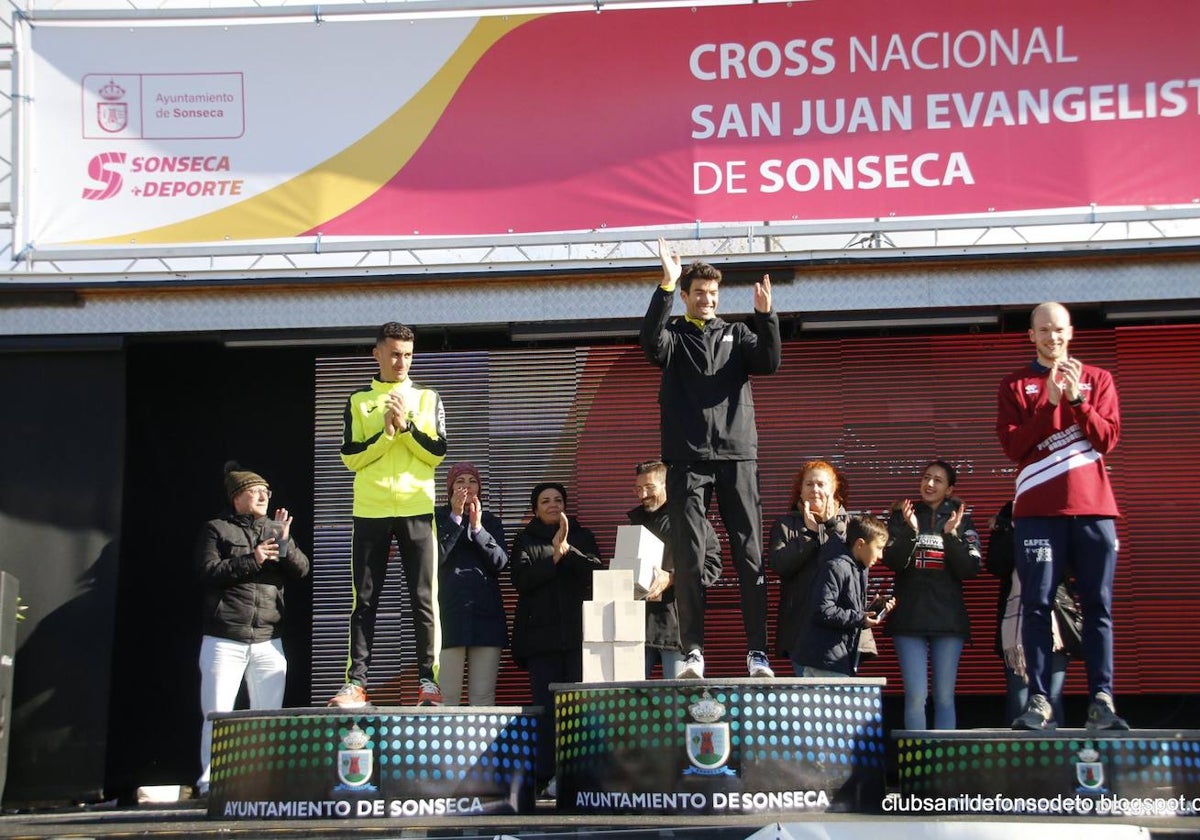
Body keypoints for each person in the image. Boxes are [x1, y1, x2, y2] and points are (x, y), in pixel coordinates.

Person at [640, 237, 782, 679]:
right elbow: (650, 345)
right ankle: (693, 652)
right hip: (686, 457)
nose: (707, 300)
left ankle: (756, 653)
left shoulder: (737, 334)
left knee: (749, 552)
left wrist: (765, 315)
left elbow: (770, 362)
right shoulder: (675, 336)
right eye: (698, 292)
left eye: (713, 295)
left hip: (737, 453)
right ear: (686, 295)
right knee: (690, 555)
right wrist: (665, 284)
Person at [996, 301, 1128, 731]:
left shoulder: (1097, 379)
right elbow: (1015, 447)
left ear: (1070, 333)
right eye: (1043, 330)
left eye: (1059, 330)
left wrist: (1075, 399)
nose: (1052, 338)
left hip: (1093, 510)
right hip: (1037, 511)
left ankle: (1102, 701)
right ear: (1031, 335)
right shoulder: (1015, 384)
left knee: (1098, 606)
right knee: (1037, 605)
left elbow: (1107, 439)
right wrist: (1047, 403)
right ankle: (1038, 700)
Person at [329, 322, 448, 709]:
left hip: (416, 507)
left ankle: (428, 682)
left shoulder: (428, 397)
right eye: (395, 353)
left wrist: (407, 427)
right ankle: (355, 683)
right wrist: (386, 434)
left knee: (423, 597)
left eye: (408, 355)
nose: (402, 362)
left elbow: (437, 453)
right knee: (364, 599)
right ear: (377, 353)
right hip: (371, 509)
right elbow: (350, 458)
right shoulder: (358, 400)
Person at [196, 462, 310, 796]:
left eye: (266, 492)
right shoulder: (216, 529)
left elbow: (302, 570)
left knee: (268, 717)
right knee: (217, 714)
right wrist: (254, 559)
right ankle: (210, 781)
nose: (263, 496)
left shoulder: (274, 529)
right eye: (255, 491)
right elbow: (207, 571)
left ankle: (265, 781)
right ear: (237, 497)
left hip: (268, 639)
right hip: (224, 637)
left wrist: (285, 544)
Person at [510, 482, 602, 796]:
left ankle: (578, 776)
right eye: (545, 501)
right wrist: (552, 558)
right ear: (535, 508)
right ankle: (546, 777)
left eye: (558, 500)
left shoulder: (582, 535)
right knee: (547, 711)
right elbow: (520, 580)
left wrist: (567, 551)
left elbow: (596, 574)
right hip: (541, 643)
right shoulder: (524, 539)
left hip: (580, 639)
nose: (552, 505)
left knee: (579, 710)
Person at [882, 460, 982, 730]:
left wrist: (950, 536)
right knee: (916, 697)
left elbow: (970, 569)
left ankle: (942, 769)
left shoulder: (961, 520)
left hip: (948, 621)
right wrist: (911, 531)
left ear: (949, 489)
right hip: (909, 619)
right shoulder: (903, 515)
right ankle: (916, 767)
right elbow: (890, 560)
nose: (929, 484)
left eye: (938, 480)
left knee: (944, 697)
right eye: (926, 478)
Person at [626, 459, 723, 679]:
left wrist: (672, 578)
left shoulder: (691, 518)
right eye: (638, 488)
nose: (642, 495)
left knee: (679, 702)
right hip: (635, 627)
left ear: (666, 486)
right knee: (631, 702)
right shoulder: (634, 521)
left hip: (678, 627)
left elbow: (713, 565)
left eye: (649, 487)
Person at [986, 501, 1073, 725]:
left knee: (1052, 697)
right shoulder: (1008, 515)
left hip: (1054, 617)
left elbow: (1071, 565)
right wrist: (1010, 530)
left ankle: (1059, 757)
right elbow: (996, 565)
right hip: (1016, 622)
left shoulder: (1058, 515)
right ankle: (1018, 757)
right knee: (1020, 699)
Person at [434, 462, 508, 706]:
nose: (466, 487)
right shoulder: (437, 517)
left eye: (472, 481)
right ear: (450, 488)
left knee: (483, 695)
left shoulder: (491, 521)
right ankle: (446, 745)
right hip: (448, 615)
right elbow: (436, 557)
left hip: (486, 615)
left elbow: (500, 562)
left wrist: (477, 527)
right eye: (460, 481)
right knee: (447, 695)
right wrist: (455, 518)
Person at [769, 461, 848, 676]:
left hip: (841, 629)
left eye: (821, 484)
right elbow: (780, 565)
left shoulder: (850, 525)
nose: (815, 490)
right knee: (810, 701)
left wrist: (831, 524)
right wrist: (809, 536)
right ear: (800, 491)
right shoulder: (785, 525)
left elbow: (854, 565)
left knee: (837, 702)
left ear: (834, 490)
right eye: (809, 484)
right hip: (801, 628)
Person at [792, 515, 894, 678]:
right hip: (825, 659)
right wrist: (860, 617)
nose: (881, 556)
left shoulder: (856, 569)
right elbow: (823, 610)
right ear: (860, 544)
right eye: (879, 548)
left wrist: (869, 614)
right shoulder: (837, 567)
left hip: (835, 659)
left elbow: (843, 612)